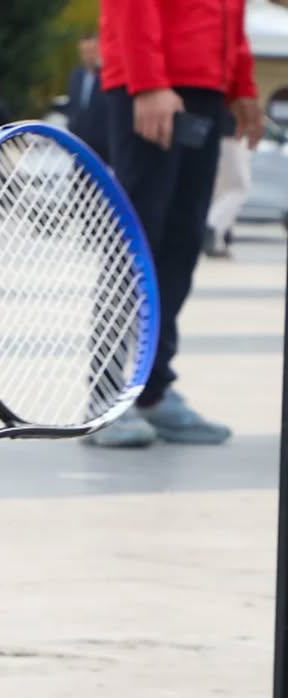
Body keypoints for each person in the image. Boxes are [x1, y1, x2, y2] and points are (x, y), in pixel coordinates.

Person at [87, 0, 263, 447]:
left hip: (205, 87)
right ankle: (104, 397)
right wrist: (147, 82)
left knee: (181, 245)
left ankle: (153, 390)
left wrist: (241, 83)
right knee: (135, 244)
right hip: (151, 88)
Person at [204, 107, 252, 258]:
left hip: (214, 133)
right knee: (239, 187)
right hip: (230, 135)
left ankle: (217, 241)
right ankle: (212, 226)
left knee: (220, 190)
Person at [65, 33, 110, 161]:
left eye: (92, 51)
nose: (88, 56)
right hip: (79, 144)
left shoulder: (106, 76)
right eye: (84, 52)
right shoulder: (76, 75)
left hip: (104, 147)